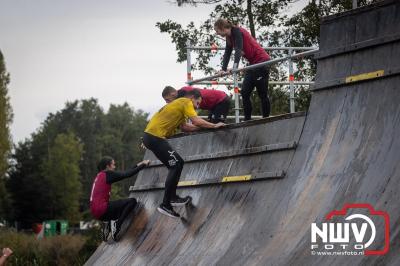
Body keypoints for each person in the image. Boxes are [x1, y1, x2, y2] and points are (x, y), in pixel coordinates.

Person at [143, 89, 225, 218]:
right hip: (155, 137)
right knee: (176, 165)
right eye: (198, 103)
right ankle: (166, 203)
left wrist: (204, 126)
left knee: (176, 164)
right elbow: (196, 121)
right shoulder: (186, 101)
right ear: (193, 98)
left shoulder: (178, 107)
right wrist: (213, 126)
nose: (198, 107)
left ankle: (172, 198)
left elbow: (185, 127)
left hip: (150, 137)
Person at [214, 18, 271, 121]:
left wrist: (235, 67)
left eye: (217, 31)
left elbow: (239, 49)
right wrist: (223, 69)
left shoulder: (237, 31)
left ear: (223, 28)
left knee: (262, 93)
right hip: (253, 64)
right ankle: (247, 120)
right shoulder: (229, 37)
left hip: (262, 62)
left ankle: (266, 119)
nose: (217, 33)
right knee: (244, 92)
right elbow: (227, 53)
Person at [90, 156, 150, 241]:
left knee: (117, 208)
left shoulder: (100, 176)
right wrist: (143, 165)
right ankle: (117, 225)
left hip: (95, 212)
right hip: (103, 209)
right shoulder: (108, 174)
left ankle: (107, 224)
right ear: (108, 166)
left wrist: (138, 164)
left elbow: (124, 172)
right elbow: (128, 174)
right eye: (113, 165)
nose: (114, 167)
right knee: (132, 202)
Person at [162, 86, 231, 123]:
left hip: (221, 99)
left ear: (173, 94)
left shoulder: (184, 93)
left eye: (167, 100)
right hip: (213, 105)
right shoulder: (180, 98)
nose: (167, 102)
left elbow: (193, 110)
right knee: (211, 124)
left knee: (217, 125)